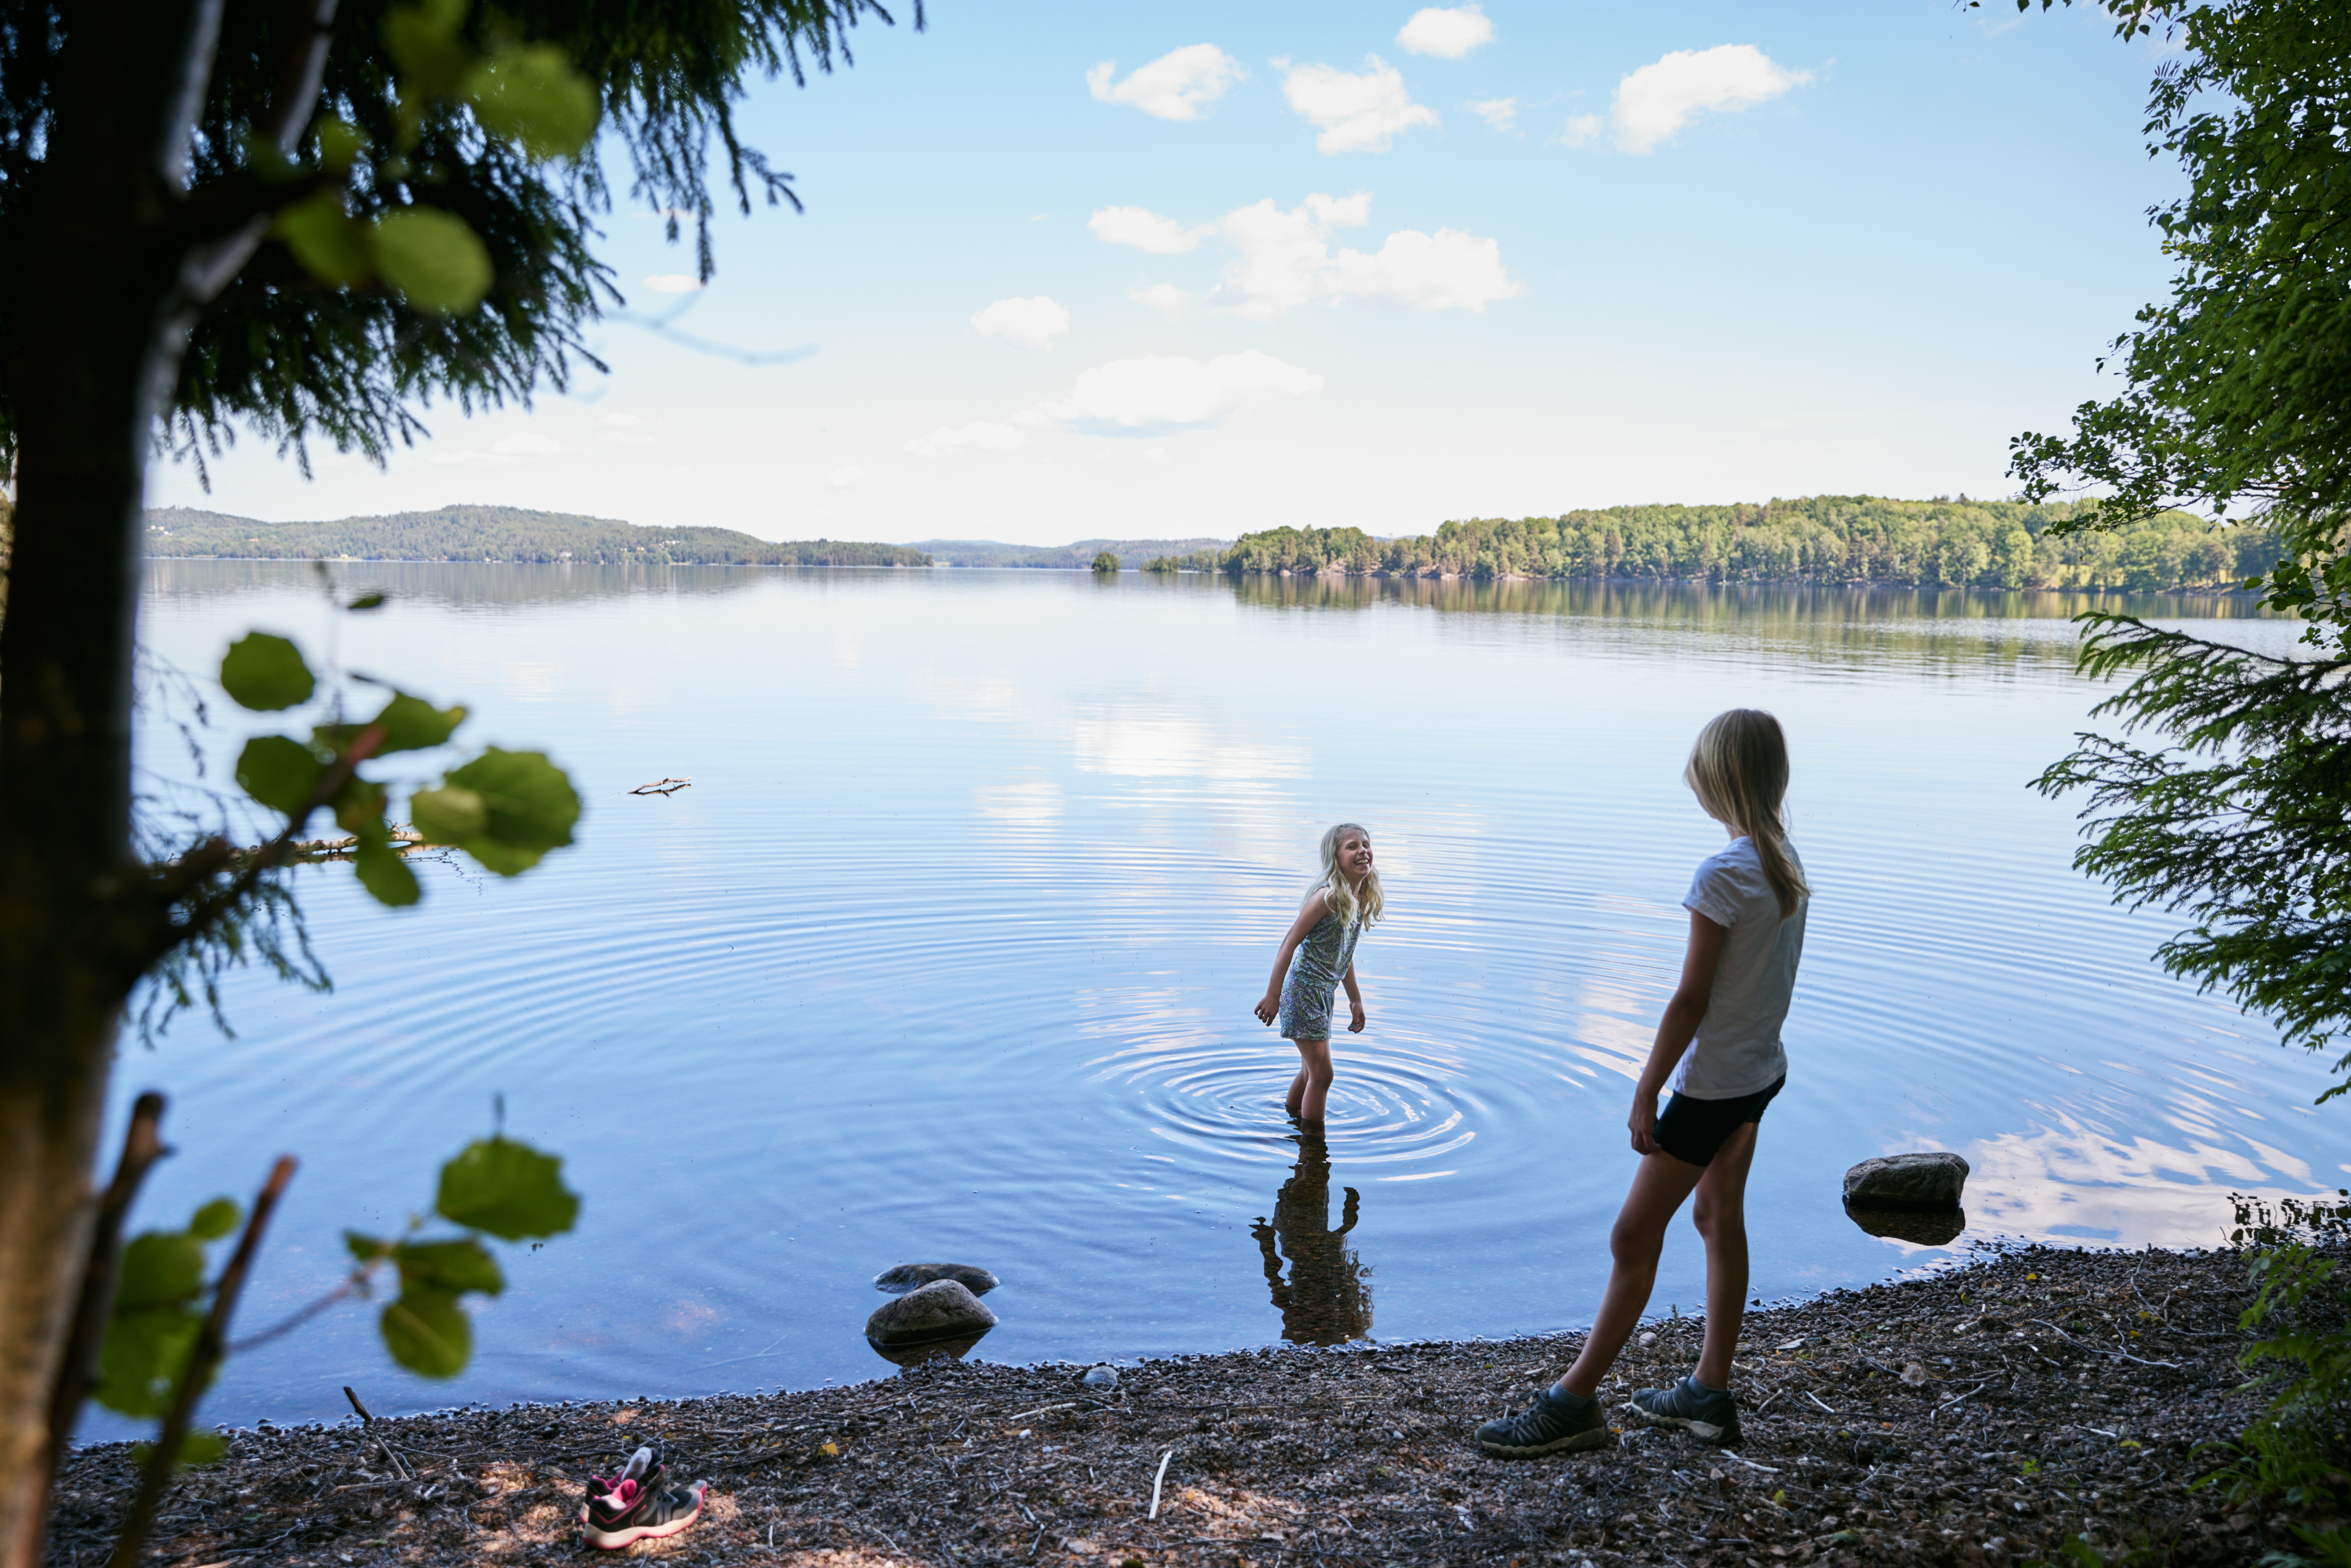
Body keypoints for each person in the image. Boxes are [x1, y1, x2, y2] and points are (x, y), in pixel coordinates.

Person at [1478, 709, 1808, 1457]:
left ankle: (1572, 1402)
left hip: (1714, 1087)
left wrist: (1646, 1087)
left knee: (1633, 1234)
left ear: (1718, 778)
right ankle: (1708, 1392)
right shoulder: (1784, 862)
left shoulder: (1724, 872)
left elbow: (1691, 998)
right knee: (1719, 1221)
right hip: (1760, 1073)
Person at [1255, 823, 1382, 1124]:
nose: (1362, 851)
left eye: (1365, 844)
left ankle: (1293, 1121)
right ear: (1335, 858)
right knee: (1323, 1075)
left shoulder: (1359, 895)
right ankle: (1312, 1148)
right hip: (1303, 992)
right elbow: (1289, 942)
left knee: (1310, 1071)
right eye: (1352, 846)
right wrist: (1273, 995)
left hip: (1323, 993)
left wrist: (1356, 1000)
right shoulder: (1328, 898)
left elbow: (1343, 952)